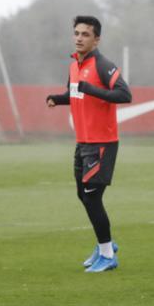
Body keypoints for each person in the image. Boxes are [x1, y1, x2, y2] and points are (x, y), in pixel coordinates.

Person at [45, 15, 131, 273]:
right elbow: (76, 94)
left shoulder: (103, 64)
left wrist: (92, 89)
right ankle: (104, 245)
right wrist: (57, 99)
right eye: (77, 33)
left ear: (96, 39)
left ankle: (107, 253)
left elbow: (125, 94)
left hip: (102, 143)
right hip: (83, 142)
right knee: (83, 195)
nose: (80, 38)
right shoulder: (74, 66)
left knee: (93, 198)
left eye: (85, 34)